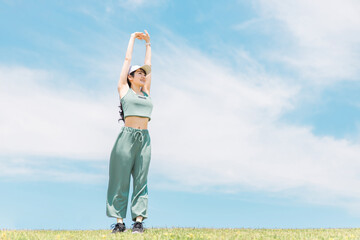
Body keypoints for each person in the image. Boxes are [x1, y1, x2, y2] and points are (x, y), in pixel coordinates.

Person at [106, 30, 153, 234]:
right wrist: (133, 39)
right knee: (120, 179)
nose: (143, 76)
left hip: (145, 139)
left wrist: (149, 45)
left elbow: (150, 69)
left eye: (144, 74)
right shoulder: (123, 90)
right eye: (139, 73)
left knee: (141, 180)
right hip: (126, 138)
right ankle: (119, 222)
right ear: (130, 77)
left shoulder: (146, 92)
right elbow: (127, 59)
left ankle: (138, 222)